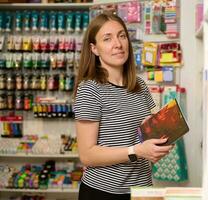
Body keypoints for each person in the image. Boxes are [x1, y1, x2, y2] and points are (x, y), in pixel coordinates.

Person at [73, 13, 173, 200]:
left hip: (143, 189)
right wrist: (137, 151)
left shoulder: (140, 85)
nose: (118, 44)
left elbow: (144, 131)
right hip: (104, 192)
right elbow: (87, 155)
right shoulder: (90, 89)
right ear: (94, 49)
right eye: (107, 38)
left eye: (122, 36)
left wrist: (161, 140)